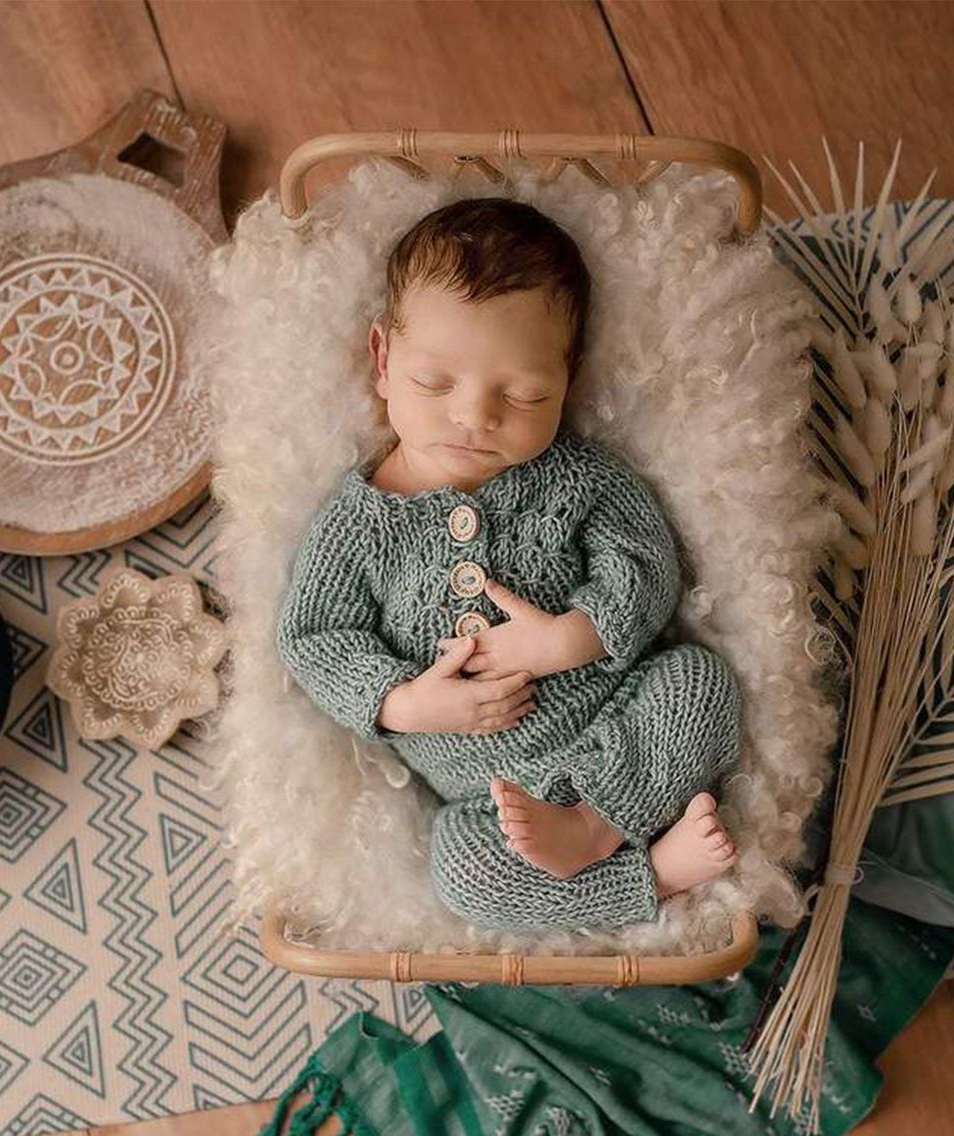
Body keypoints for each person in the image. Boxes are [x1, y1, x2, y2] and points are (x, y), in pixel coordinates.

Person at [276, 196, 741, 931]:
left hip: (620, 722)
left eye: (524, 395)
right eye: (437, 384)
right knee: (462, 870)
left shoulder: (577, 475)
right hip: (488, 794)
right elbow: (314, 640)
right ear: (383, 362)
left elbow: (645, 559)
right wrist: (404, 703)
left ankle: (599, 826)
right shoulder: (357, 524)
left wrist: (573, 637)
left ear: (568, 381)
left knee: (699, 683)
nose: (475, 417)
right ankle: (649, 877)